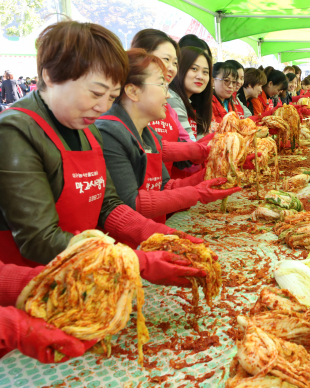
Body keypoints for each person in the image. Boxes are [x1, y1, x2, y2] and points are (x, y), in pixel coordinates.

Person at [0, 22, 206, 292]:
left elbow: (107, 205)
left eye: (111, 96)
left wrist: (161, 235)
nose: (103, 107)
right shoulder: (15, 131)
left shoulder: (87, 127)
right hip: (39, 287)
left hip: (91, 275)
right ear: (50, 76)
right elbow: (40, 239)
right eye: (96, 93)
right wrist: (133, 262)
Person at [96, 49, 241, 224]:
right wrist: (197, 193)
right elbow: (130, 204)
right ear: (133, 91)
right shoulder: (110, 132)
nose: (168, 94)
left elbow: (165, 186)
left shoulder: (147, 133)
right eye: (162, 85)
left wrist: (214, 174)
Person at [130, 29, 204, 178]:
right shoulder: (121, 111)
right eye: (165, 59)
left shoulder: (169, 108)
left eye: (175, 63)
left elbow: (187, 151)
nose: (171, 68)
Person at [167, 47, 213, 140]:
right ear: (180, 69)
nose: (200, 76)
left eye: (205, 72)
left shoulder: (194, 103)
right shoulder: (171, 98)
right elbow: (190, 145)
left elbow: (199, 142)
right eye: (194, 69)